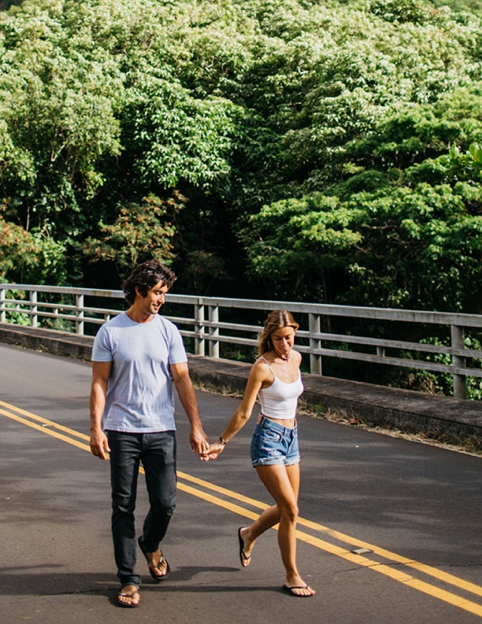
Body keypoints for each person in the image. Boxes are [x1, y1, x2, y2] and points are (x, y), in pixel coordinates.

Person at [89, 260, 213, 609]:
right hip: (122, 429)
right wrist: (96, 428)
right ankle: (128, 579)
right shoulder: (110, 332)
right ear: (139, 290)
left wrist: (196, 426)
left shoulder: (168, 331)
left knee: (165, 502)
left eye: (164, 293)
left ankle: (150, 542)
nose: (162, 299)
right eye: (158, 292)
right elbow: (99, 382)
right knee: (122, 505)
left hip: (161, 429)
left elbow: (183, 380)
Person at [209, 310, 314, 597]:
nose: (285, 345)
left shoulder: (297, 359)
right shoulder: (262, 367)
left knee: (286, 509)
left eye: (289, 338)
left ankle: (248, 534)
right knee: (291, 510)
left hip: (291, 438)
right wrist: (222, 441)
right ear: (269, 338)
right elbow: (245, 410)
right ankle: (292, 576)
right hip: (267, 439)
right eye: (278, 339)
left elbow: (291, 398)